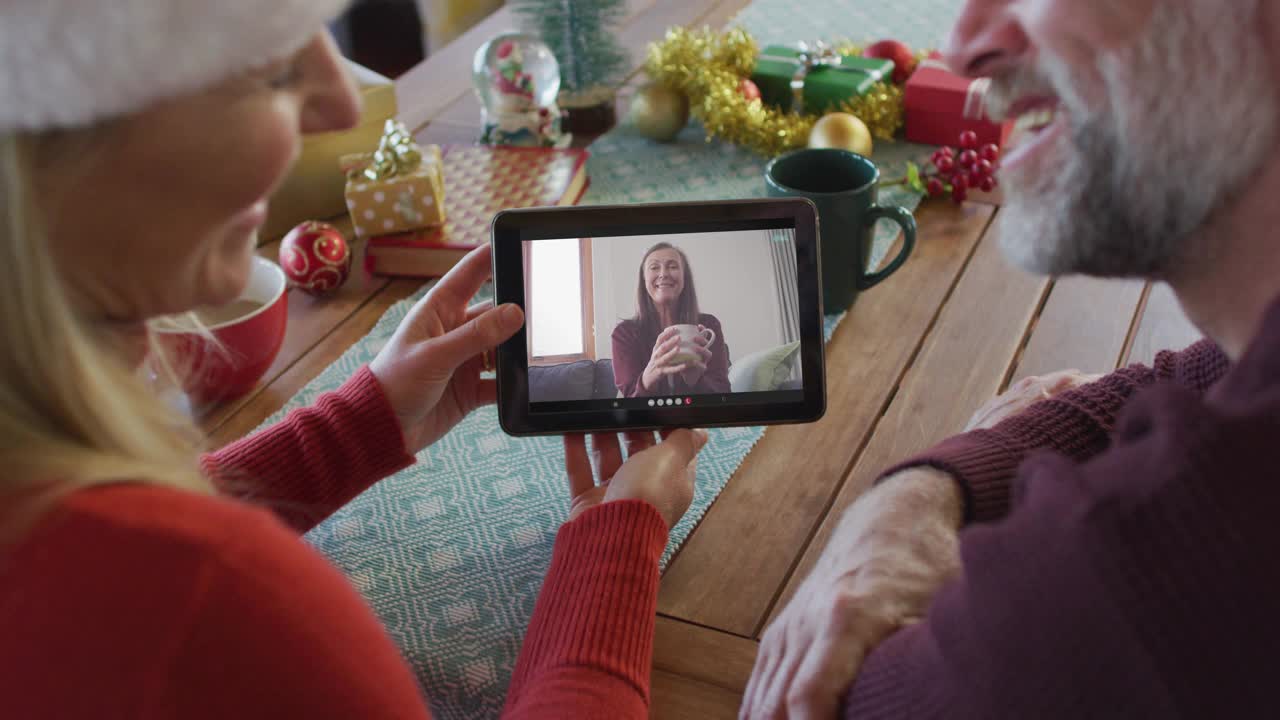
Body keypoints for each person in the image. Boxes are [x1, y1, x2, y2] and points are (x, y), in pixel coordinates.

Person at [0, 2, 706, 718]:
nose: (342, 103)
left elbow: (125, 589)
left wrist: (352, 429)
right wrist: (618, 544)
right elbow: (162, 590)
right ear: (50, 140)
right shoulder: (214, 591)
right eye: (271, 65)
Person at [740, 0, 1280, 717]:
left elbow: (842, 695)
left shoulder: (1113, 592)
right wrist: (921, 495)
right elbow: (1200, 376)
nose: (962, 46)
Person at [612, 242, 732, 397]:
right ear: (644, 280)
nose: (663, 274)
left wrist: (696, 381)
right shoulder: (624, 333)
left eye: (673, 266)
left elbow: (723, 396)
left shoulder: (709, 326)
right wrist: (649, 378)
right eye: (654, 267)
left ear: (684, 278)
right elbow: (629, 404)